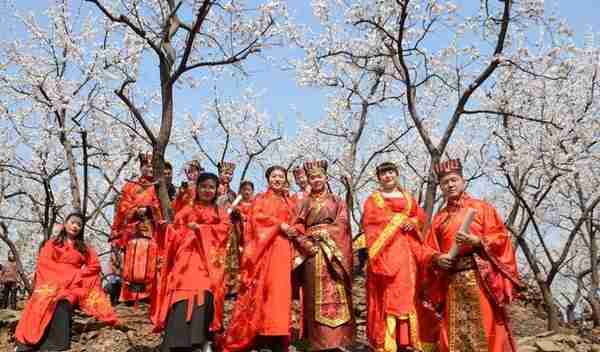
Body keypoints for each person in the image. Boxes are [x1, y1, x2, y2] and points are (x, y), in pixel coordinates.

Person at [425, 159, 523, 352]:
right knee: (453, 332)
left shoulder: (482, 208)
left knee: (487, 328)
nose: (450, 185)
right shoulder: (439, 218)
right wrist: (437, 258)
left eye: (454, 180)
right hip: (452, 282)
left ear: (463, 181)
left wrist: (478, 242)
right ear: (441, 188)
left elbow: (501, 237)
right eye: (445, 182)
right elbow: (426, 249)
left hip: (480, 279)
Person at [153, 172, 240, 351]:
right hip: (186, 259)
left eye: (211, 187)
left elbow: (224, 234)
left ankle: (201, 338)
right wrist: (167, 230)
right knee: (182, 290)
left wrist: (201, 230)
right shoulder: (186, 211)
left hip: (208, 261)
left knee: (206, 288)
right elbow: (175, 235)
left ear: (216, 190)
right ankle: (176, 340)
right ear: (197, 188)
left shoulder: (220, 213)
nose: (207, 190)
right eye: (203, 186)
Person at [361, 162, 436, 352]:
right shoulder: (373, 199)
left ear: (396, 174)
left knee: (409, 293)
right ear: (378, 178)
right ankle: (388, 342)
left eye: (390, 172)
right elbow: (371, 222)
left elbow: (421, 218)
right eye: (383, 173)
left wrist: (413, 221)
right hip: (385, 254)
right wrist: (398, 219)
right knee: (389, 294)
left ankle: (408, 340)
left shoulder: (409, 198)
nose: (387, 176)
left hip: (408, 253)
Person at [15, 213, 117, 351]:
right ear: (65, 223)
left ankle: (56, 345)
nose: (75, 226)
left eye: (79, 225)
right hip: (51, 283)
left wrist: (78, 274)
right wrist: (60, 278)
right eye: (73, 222)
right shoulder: (52, 243)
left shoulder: (83, 247)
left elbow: (95, 266)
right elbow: (44, 263)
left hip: (73, 285)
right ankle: (26, 344)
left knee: (63, 304)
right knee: (41, 302)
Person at [223, 166, 296, 352]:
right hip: (265, 252)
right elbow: (256, 220)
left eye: (281, 176)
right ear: (268, 179)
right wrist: (279, 225)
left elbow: (297, 222)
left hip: (283, 250)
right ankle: (264, 335)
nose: (278, 179)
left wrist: (294, 230)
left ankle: (280, 335)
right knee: (266, 291)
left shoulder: (290, 202)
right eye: (274, 176)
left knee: (282, 293)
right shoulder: (260, 199)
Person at [286, 160, 355, 351]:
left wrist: (326, 234)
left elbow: (343, 224)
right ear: (308, 180)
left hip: (333, 254)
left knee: (337, 292)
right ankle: (319, 342)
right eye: (312, 177)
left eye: (319, 176)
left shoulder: (337, 200)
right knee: (314, 295)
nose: (316, 180)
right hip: (312, 253)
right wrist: (306, 243)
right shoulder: (304, 202)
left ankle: (341, 340)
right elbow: (297, 226)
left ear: (325, 177)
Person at [111, 152, 162, 304]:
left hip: (151, 227)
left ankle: (148, 294)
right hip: (133, 228)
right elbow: (122, 206)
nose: (150, 168)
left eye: (153, 166)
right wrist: (135, 209)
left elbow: (162, 208)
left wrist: (151, 209)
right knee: (132, 259)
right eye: (147, 165)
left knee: (150, 258)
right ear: (141, 167)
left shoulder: (159, 187)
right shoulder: (130, 186)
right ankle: (129, 295)